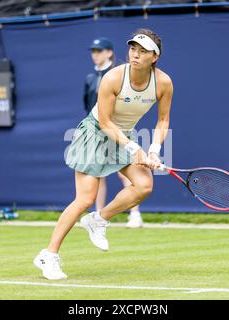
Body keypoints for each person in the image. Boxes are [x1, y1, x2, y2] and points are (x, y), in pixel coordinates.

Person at [34, 29, 173, 280]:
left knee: (143, 185)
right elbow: (107, 122)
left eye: (143, 51)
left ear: (155, 56)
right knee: (85, 199)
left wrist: (153, 150)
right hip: (96, 132)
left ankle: (98, 220)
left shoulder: (163, 83)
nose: (135, 55)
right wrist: (135, 149)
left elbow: (163, 120)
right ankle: (48, 255)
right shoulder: (113, 78)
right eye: (133, 49)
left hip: (124, 135)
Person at [84, 37, 144, 228]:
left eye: (99, 51)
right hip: (98, 132)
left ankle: (135, 214)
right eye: (93, 51)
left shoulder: (119, 75)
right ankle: (98, 216)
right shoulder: (90, 79)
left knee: (126, 173)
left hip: (120, 131)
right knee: (98, 174)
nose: (95, 55)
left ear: (109, 53)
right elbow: (88, 107)